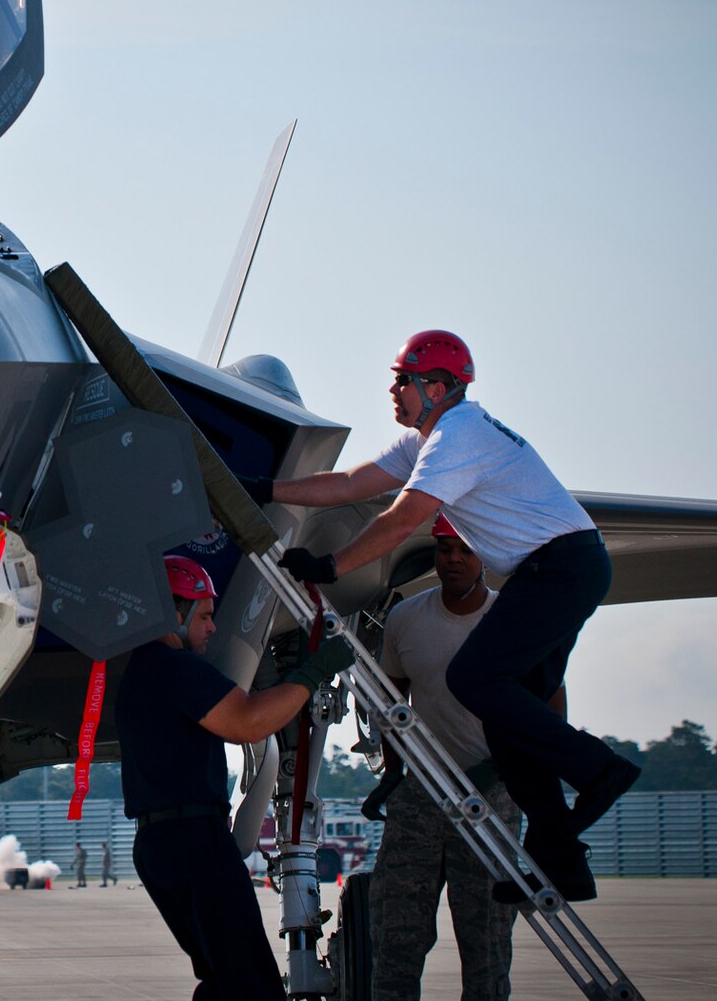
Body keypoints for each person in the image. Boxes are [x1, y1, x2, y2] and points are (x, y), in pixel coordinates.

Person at [249, 330, 637, 905]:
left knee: (474, 679)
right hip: (555, 569)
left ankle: (600, 769)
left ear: (436, 387)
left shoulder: (458, 437)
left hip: (560, 569)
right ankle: (562, 860)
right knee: (508, 725)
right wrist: (265, 488)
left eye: (403, 379)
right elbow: (353, 484)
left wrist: (330, 566)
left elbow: (404, 519)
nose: (394, 389)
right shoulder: (428, 440)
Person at [123, 553, 356, 1001]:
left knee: (225, 983)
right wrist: (310, 673)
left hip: (160, 845)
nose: (210, 630)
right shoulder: (175, 669)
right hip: (195, 843)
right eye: (203, 617)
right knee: (251, 984)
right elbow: (250, 722)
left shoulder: (141, 672)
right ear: (174, 614)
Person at [350, 516, 526, 1001]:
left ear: (484, 557)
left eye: (464, 550)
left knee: (486, 947)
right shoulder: (406, 620)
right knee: (396, 942)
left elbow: (547, 699)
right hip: (422, 799)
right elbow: (395, 701)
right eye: (444, 549)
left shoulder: (513, 620)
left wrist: (523, 773)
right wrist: (396, 775)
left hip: (493, 797)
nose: (453, 560)